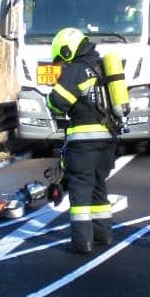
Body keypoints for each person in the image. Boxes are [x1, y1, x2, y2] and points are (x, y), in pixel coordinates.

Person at [47, 27, 117, 255]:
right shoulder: (102, 66)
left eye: (61, 58)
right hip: (107, 141)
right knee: (98, 188)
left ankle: (82, 243)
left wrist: (50, 99)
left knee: (80, 191)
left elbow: (57, 101)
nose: (62, 63)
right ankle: (103, 235)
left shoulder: (77, 69)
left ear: (67, 50)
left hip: (83, 144)